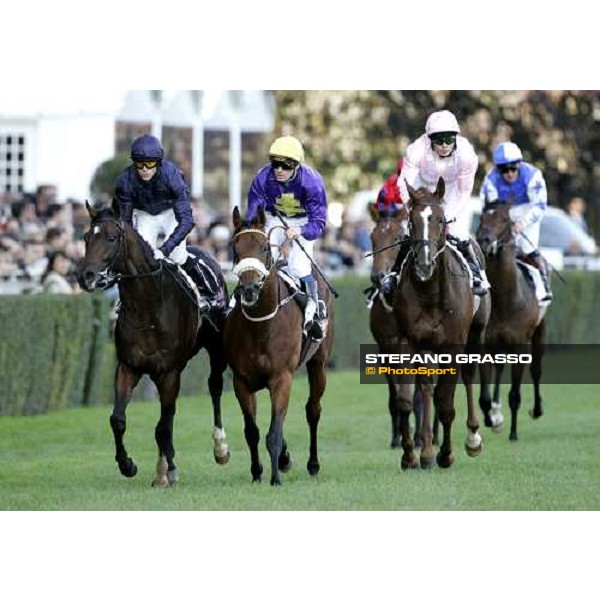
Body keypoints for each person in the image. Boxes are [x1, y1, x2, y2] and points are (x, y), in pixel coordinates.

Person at [382, 110, 489, 298]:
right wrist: (411, 206)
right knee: (412, 232)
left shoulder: (467, 155)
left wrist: (448, 216)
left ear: (456, 137)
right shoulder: (415, 150)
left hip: (453, 189)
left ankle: (477, 275)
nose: (445, 145)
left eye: (449, 139)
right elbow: (404, 183)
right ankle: (394, 274)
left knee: (459, 233)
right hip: (423, 187)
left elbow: (464, 192)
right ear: (429, 138)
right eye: (439, 140)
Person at [115, 134, 224, 315]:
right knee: (140, 258)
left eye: (149, 164)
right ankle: (127, 299)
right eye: (139, 163)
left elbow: (187, 221)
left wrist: (165, 249)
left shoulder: (171, 175)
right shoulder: (125, 181)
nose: (144, 169)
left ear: (158, 162)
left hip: (170, 213)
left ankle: (210, 291)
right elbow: (125, 222)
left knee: (178, 255)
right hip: (144, 214)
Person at [245, 135, 327, 340]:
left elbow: (318, 223)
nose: (279, 169)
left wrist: (300, 231)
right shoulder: (262, 178)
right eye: (275, 164)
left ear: (297, 165)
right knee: (260, 262)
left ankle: (314, 311)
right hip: (273, 219)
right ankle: (237, 304)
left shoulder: (313, 182)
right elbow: (253, 213)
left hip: (303, 221)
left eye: (286, 165)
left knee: (298, 266)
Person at [480, 141, 552, 300]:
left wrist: (522, 224)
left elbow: (540, 205)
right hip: (504, 213)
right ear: (498, 169)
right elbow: (490, 209)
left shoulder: (533, 175)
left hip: (528, 210)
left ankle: (542, 288)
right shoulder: (490, 180)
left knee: (527, 249)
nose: (510, 173)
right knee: (491, 247)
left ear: (519, 164)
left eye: (513, 167)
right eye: (504, 169)